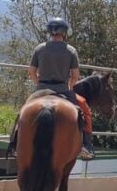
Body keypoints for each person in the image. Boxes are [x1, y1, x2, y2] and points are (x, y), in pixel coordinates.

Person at [8, 17, 94, 160]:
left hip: (41, 88)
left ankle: (14, 145)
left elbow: (31, 71)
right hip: (63, 89)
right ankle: (85, 145)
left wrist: (38, 83)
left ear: (49, 32)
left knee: (22, 113)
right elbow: (75, 75)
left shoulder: (40, 48)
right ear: (64, 33)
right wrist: (70, 86)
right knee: (83, 113)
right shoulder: (71, 51)